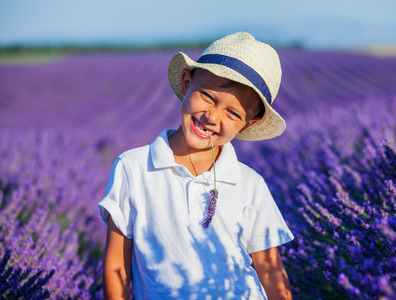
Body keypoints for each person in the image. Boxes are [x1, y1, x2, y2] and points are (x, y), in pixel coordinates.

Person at [99, 32, 294, 299]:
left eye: (232, 113)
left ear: (248, 124)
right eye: (208, 96)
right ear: (187, 82)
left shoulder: (250, 184)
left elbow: (271, 271)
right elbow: (116, 266)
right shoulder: (133, 168)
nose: (212, 116)